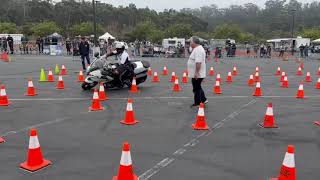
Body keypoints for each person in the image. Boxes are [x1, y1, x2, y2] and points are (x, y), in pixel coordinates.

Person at [187, 36, 208, 107]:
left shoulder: (198, 50)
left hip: (197, 73)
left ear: (194, 42)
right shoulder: (197, 49)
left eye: (190, 42)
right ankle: (204, 99)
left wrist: (196, 73)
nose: (189, 43)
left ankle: (198, 103)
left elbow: (198, 62)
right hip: (197, 73)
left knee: (196, 88)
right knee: (198, 86)